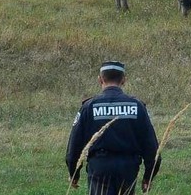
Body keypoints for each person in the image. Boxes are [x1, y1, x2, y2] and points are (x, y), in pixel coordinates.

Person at [66, 61, 161, 195]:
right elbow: (151, 146)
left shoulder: (89, 107)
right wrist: (149, 176)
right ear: (123, 80)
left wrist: (74, 172)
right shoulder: (137, 106)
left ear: (100, 79)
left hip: (100, 167)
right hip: (128, 168)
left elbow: (75, 145)